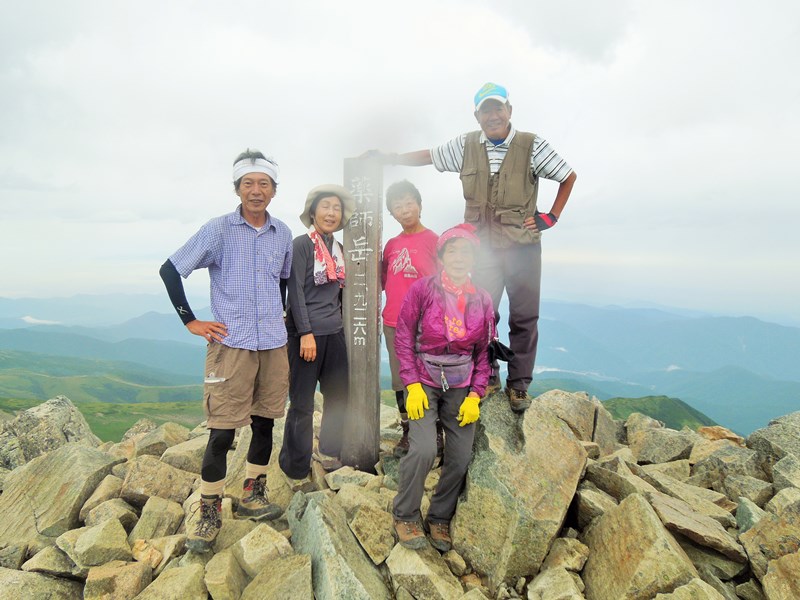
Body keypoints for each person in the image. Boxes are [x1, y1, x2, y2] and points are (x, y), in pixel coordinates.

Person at [373, 82, 577, 412]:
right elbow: (431, 156)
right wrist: (392, 159)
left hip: (522, 246)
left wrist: (551, 217)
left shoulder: (531, 145)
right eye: (486, 110)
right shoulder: (467, 145)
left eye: (498, 108)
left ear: (509, 111)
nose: (493, 115)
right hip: (481, 249)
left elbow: (567, 175)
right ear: (477, 115)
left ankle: (519, 383)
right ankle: (489, 375)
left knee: (525, 316)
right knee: (480, 313)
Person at [159, 149, 292, 553]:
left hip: (272, 342)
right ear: (237, 188)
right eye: (248, 183)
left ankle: (253, 495)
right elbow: (170, 269)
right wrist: (191, 321)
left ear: (273, 190)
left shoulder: (282, 233)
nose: (256, 191)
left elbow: (283, 281)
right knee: (222, 432)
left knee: (266, 423)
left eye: (263, 184)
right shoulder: (218, 230)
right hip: (230, 344)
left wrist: (280, 318)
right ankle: (209, 510)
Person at [391, 223, 495, 552]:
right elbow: (404, 338)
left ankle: (439, 516)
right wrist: (412, 384)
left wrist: (476, 395)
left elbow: (484, 353)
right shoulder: (423, 290)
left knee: (461, 456)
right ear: (442, 256)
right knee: (423, 448)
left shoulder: (482, 299)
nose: (459, 257)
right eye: (453, 250)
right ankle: (405, 513)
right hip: (423, 379)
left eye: (466, 252)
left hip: (461, 385)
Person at [279, 184, 355, 483]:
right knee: (302, 403)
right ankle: (294, 465)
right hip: (305, 335)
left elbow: (340, 294)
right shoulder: (301, 245)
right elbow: (294, 291)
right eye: (326, 206)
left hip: (334, 332)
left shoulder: (339, 249)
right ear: (313, 212)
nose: (331, 213)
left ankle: (329, 451)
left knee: (338, 396)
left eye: (336, 208)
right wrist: (305, 332)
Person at [381, 180, 440, 457]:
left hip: (426, 323)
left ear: (419, 204)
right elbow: (383, 281)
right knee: (400, 380)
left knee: (428, 377)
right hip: (394, 323)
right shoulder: (391, 245)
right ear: (391, 213)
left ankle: (432, 433)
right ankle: (407, 432)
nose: (404, 210)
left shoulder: (434, 241)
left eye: (408, 203)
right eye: (397, 206)